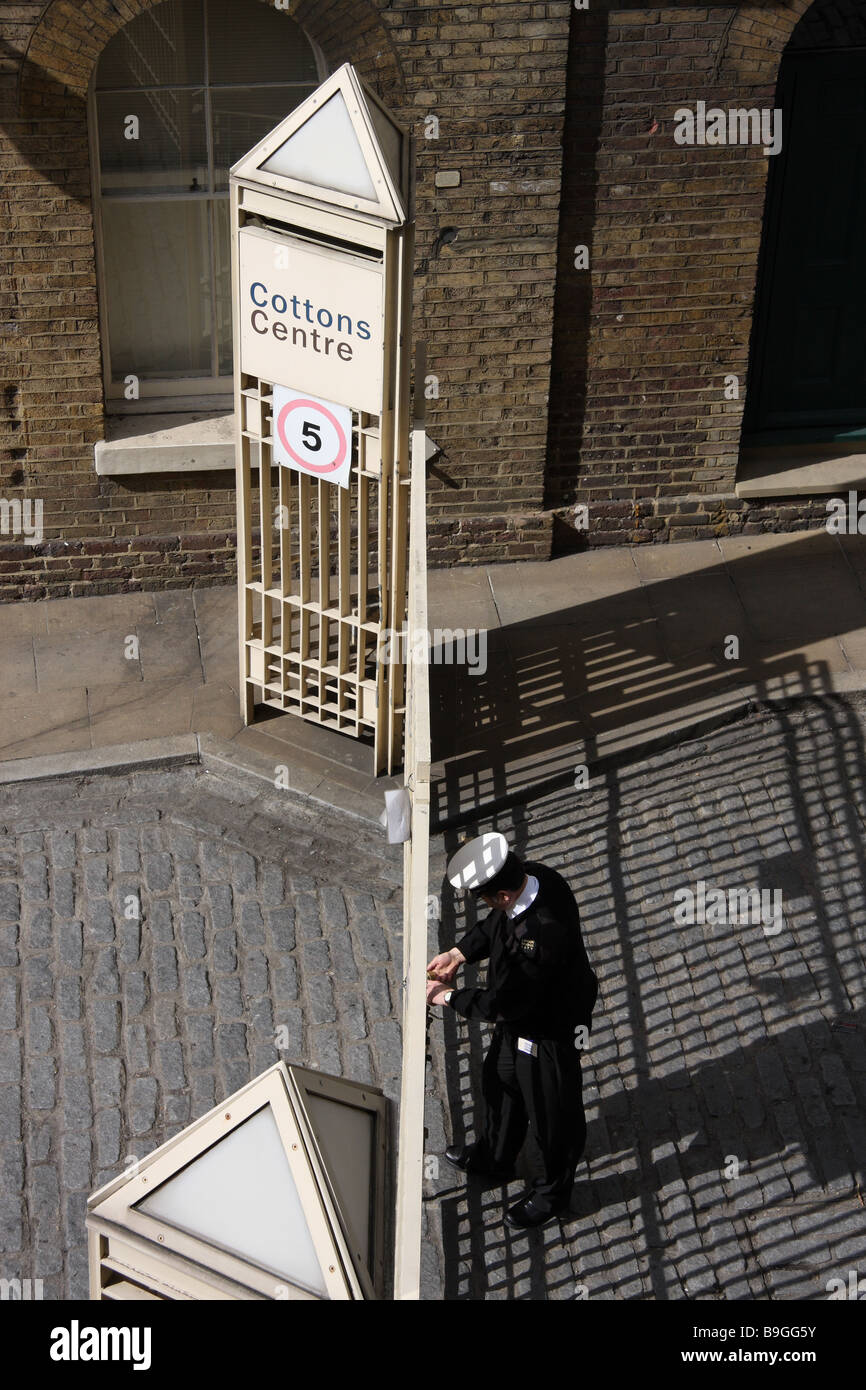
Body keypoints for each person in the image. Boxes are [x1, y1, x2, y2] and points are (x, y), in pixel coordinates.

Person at [426, 831, 598, 1229]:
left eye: (487, 897)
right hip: (521, 1022)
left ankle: (550, 1194)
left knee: (552, 1116)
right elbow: (496, 926)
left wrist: (447, 997)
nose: (490, 905)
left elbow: (503, 1004)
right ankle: (495, 1157)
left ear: (502, 894)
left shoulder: (541, 938)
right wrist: (459, 953)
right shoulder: (535, 877)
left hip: (547, 1031)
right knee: (499, 1083)